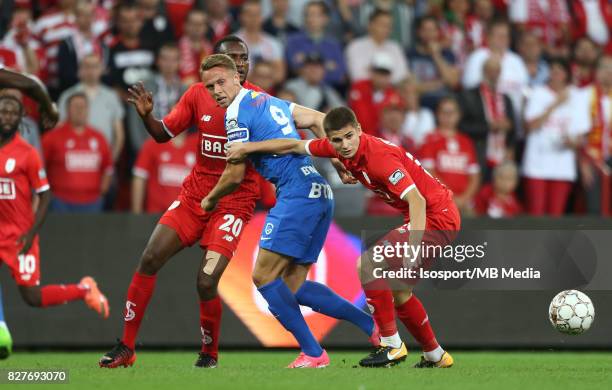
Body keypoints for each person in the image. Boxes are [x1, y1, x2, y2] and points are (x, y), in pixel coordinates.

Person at [226, 106, 457, 368]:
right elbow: (292, 146)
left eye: (349, 136)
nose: (344, 145)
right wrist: (247, 148)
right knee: (400, 292)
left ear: (359, 129)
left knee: (369, 264)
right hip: (431, 215)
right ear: (330, 139)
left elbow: (416, 201)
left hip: (436, 216)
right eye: (337, 140)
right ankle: (436, 355)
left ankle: (391, 346)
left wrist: (413, 250)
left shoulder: (379, 157)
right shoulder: (336, 149)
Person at [199, 54, 378, 368]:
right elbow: (320, 119)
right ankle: (371, 327)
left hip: (296, 194)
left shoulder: (235, 114)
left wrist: (209, 200)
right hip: (320, 192)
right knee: (294, 286)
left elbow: (235, 174)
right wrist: (337, 159)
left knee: (263, 276)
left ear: (237, 77)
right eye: (209, 86)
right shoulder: (269, 101)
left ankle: (313, 352)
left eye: (221, 82)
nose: (216, 90)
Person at [98, 36, 264, 370]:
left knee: (205, 281)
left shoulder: (260, 102)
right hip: (195, 197)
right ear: (217, 62)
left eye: (243, 58)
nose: (240, 63)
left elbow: (284, 142)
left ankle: (209, 352)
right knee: (149, 258)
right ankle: (127, 346)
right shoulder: (197, 94)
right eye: (232, 57)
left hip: (234, 202)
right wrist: (148, 117)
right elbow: (162, 134)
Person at [0, 94, 109, 320]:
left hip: (19, 235)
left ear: (20, 117)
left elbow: (45, 194)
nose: (7, 117)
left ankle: (84, 290)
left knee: (32, 297)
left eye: (12, 112)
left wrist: (31, 233)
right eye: (3, 111)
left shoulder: (27, 153)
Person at [522, 58, 590, 216]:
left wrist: (571, 142)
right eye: (552, 70)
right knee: (535, 215)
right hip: (536, 165)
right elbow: (531, 126)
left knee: (555, 218)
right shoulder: (538, 93)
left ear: (566, 74)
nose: (555, 74)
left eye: (559, 71)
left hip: (562, 166)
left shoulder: (577, 96)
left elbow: (581, 136)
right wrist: (555, 105)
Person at [42, 93, 114, 212]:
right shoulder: (52, 137)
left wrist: (101, 193)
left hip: (93, 202)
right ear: (67, 110)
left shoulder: (99, 137)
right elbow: (40, 167)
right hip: (60, 202)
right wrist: (48, 194)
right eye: (76, 107)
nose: (80, 110)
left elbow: (108, 168)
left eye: (83, 107)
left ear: (88, 110)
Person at [58, 53, 125, 162]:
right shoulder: (67, 96)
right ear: (80, 70)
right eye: (87, 66)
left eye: (95, 66)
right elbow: (59, 129)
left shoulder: (112, 96)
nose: (91, 70)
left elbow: (119, 135)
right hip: (74, 158)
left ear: (101, 70)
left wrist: (110, 163)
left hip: (104, 159)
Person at [458, 56, 516, 181]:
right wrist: (489, 126)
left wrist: (510, 144)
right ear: (483, 71)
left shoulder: (506, 99)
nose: (494, 75)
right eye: (490, 70)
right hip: (478, 156)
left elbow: (513, 128)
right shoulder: (469, 96)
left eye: (497, 71)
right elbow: (461, 126)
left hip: (502, 159)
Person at [420, 97, 481, 215]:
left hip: (465, 203)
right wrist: (451, 198)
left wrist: (463, 199)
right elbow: (429, 173)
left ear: (458, 115)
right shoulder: (429, 140)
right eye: (444, 112)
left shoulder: (466, 141)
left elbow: (475, 177)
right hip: (439, 202)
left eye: (452, 112)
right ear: (437, 114)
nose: (448, 116)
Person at [132, 131, 198, 214]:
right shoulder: (152, 144)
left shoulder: (198, 144)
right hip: (156, 216)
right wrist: (136, 214)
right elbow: (139, 177)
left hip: (186, 216)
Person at [345, 8, 408, 84]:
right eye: (383, 25)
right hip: (365, 92)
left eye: (389, 26)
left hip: (392, 92)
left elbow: (402, 76)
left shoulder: (395, 47)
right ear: (370, 25)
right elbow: (357, 76)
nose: (386, 29)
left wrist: (373, 72)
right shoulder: (355, 46)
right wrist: (386, 77)